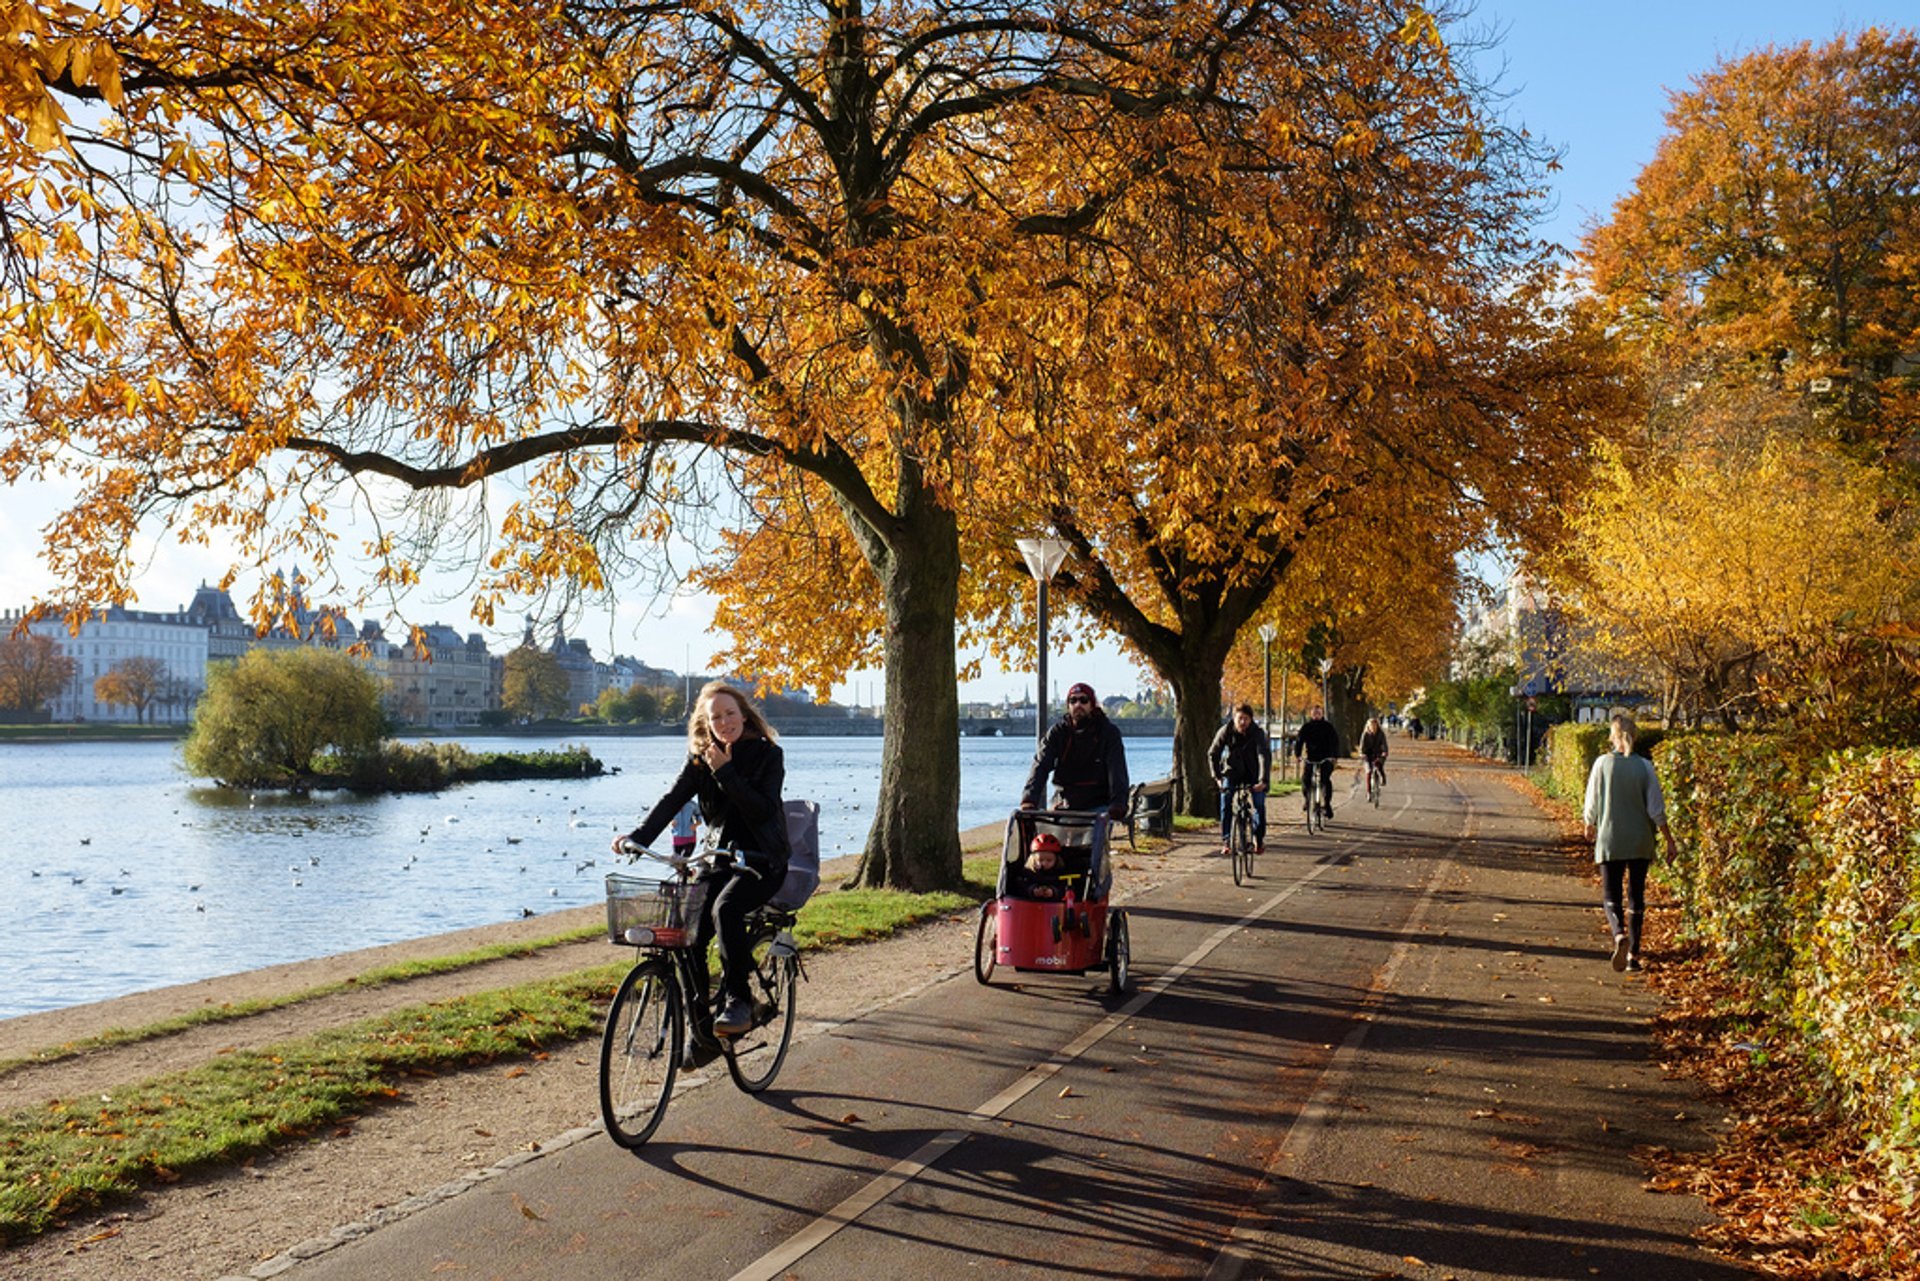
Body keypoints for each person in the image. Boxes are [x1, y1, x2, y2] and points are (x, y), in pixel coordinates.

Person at [613, 681, 789, 1037]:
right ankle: (702, 1031)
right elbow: (672, 800)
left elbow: (762, 810)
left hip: (762, 860)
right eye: (716, 717)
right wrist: (637, 838)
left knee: (726, 909)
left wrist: (726, 771)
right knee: (687, 932)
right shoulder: (700, 760)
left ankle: (739, 1000)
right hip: (719, 859)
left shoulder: (769, 755)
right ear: (705, 724)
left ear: (743, 714)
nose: (724, 722)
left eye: (729, 714)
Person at [1581, 712, 1676, 974]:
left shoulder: (1602, 763)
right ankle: (1634, 955)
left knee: (1611, 895)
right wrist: (1669, 840)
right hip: (1639, 840)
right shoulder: (1645, 767)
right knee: (1636, 898)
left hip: (1610, 838)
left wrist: (1589, 823)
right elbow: (1656, 808)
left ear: (1613, 736)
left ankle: (1619, 934)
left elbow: (1592, 800)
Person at [1021, 682, 1130, 819]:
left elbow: (1117, 769)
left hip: (1098, 804)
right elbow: (1040, 765)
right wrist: (1029, 799)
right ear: (1068, 705)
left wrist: (1118, 803)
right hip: (1064, 802)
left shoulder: (1108, 732)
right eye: (1073, 700)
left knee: (1093, 839)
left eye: (1084, 700)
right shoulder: (1058, 733)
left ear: (1092, 704)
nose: (1078, 705)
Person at [1208, 703, 1271, 855]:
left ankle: (1258, 838)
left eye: (1246, 719)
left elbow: (1263, 755)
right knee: (1226, 800)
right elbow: (1213, 754)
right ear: (1234, 719)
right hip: (1232, 771)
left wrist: (1262, 780)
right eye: (1240, 718)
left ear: (1251, 720)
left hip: (1253, 773)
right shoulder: (1225, 731)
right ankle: (1227, 840)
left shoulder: (1257, 733)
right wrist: (1217, 778)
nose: (1243, 722)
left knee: (1259, 804)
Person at [1292, 704, 1340, 821]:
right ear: (1311, 714)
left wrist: (1334, 756)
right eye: (1314, 713)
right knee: (1305, 779)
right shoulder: (1306, 727)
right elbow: (1299, 741)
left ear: (1322, 714)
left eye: (1319, 713)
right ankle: (1307, 799)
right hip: (1311, 757)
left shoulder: (1328, 727)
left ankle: (1327, 804)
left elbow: (1335, 742)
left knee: (1325, 780)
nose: (1316, 716)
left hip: (1326, 757)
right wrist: (1298, 755)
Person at [1009, 832, 1072, 901]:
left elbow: (1066, 889)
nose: (1044, 863)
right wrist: (1032, 890)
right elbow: (1019, 887)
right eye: (1040, 860)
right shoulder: (1026, 874)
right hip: (1030, 907)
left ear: (1056, 860)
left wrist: (1053, 892)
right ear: (1033, 860)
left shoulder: (1061, 874)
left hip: (1054, 908)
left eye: (1049, 860)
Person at [1359, 716, 1389, 790]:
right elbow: (1362, 745)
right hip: (1367, 754)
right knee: (1369, 771)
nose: (1373, 727)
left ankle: (1382, 776)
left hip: (1378, 753)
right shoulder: (1365, 734)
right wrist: (1362, 753)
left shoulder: (1381, 734)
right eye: (1371, 725)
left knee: (1378, 765)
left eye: (1374, 725)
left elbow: (1384, 744)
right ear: (1368, 726)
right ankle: (1369, 791)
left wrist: (1384, 752)